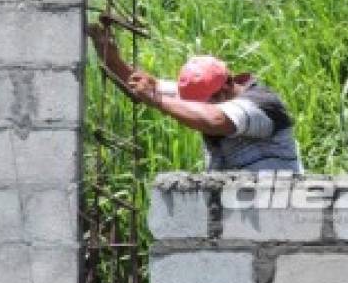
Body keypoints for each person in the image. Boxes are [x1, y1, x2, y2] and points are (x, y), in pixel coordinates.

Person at [87, 23, 302, 173]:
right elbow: (142, 87)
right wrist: (112, 58)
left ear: (226, 86)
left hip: (276, 207)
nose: (197, 107)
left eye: (204, 102)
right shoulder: (210, 97)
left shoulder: (262, 104)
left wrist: (159, 101)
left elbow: (215, 120)